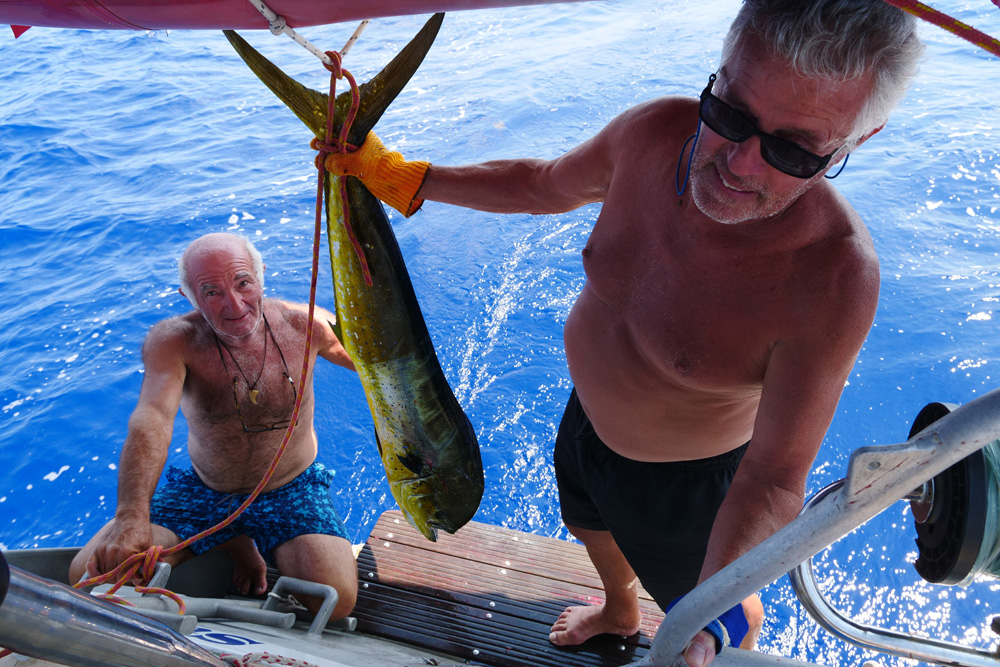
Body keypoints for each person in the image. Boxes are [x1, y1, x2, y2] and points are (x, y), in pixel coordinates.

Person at [323, 0, 925, 663]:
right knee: (587, 522)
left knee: (716, 611)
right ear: (719, 74)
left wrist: (710, 616)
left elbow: (775, 478)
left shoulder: (834, 278)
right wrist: (402, 177)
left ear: (857, 139)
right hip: (586, 418)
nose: (741, 164)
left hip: (681, 483)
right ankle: (618, 606)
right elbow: (543, 185)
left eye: (793, 150)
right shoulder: (653, 132)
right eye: (729, 114)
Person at [69, 232, 359, 622]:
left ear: (261, 276)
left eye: (243, 283)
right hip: (206, 490)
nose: (234, 305)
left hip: (291, 486)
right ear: (188, 296)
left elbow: (384, 367)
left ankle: (239, 537)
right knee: (91, 577)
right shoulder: (174, 342)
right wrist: (130, 517)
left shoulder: (308, 325)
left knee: (334, 602)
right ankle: (233, 541)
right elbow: (152, 419)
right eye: (211, 292)